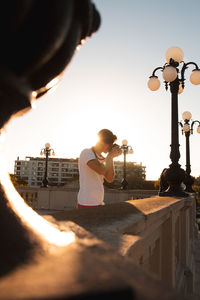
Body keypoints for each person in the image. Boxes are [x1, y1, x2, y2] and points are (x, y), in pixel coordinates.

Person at [77, 129, 122, 208]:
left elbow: (110, 178)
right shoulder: (87, 152)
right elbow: (101, 170)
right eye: (110, 144)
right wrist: (110, 156)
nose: (110, 148)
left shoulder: (104, 159)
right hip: (86, 202)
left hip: (99, 202)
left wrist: (110, 158)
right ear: (103, 142)